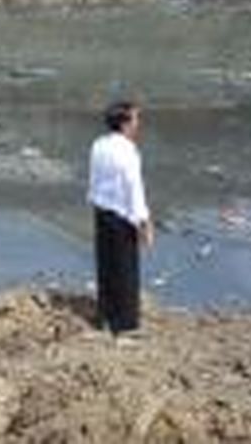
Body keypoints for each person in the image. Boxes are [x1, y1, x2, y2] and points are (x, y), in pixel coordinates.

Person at [88, 100, 153, 335]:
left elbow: (94, 179)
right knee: (126, 269)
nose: (138, 124)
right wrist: (144, 222)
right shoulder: (127, 151)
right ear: (125, 123)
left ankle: (105, 315)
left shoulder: (99, 144)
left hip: (101, 211)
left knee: (106, 266)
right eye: (135, 119)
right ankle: (125, 324)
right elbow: (134, 189)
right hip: (121, 216)